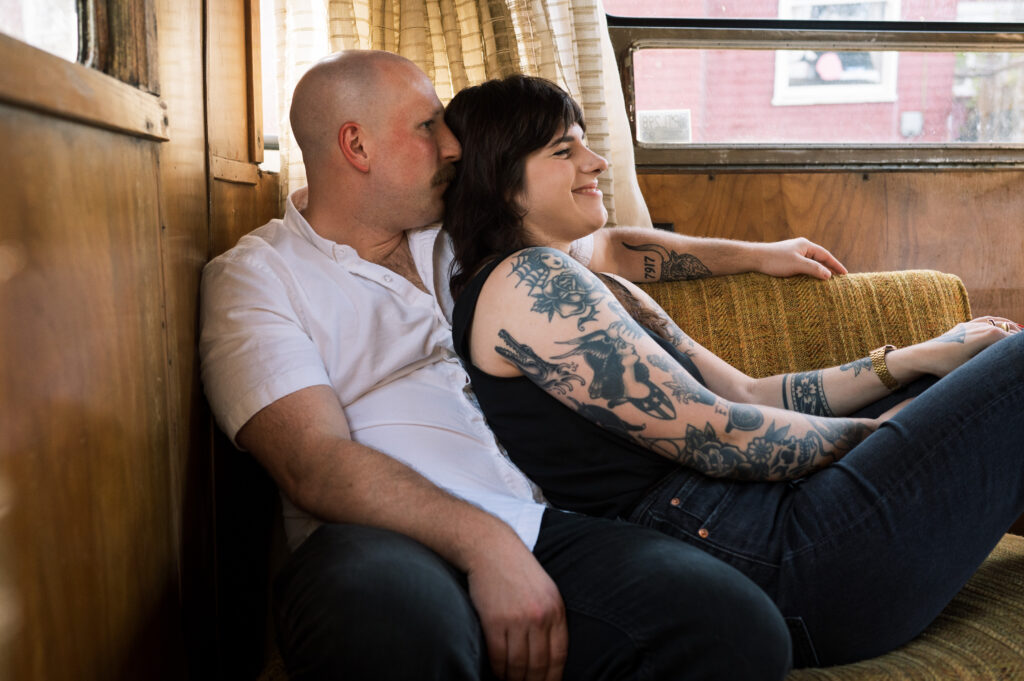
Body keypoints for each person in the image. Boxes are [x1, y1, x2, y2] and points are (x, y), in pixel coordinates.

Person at [200, 49, 854, 681]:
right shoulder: (258, 277)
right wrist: (486, 546)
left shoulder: (457, 228)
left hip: (539, 519)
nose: (453, 145)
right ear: (357, 145)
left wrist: (758, 253)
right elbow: (314, 463)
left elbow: (612, 248)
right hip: (378, 544)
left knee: (740, 630)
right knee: (400, 629)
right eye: (428, 126)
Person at [444, 73, 1024, 669]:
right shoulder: (526, 282)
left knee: (945, 377)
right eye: (563, 152)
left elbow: (749, 392)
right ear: (502, 182)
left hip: (769, 525)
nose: (594, 162)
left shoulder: (576, 271)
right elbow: (719, 437)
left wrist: (911, 359)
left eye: (585, 142)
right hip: (777, 563)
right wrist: (889, 438)